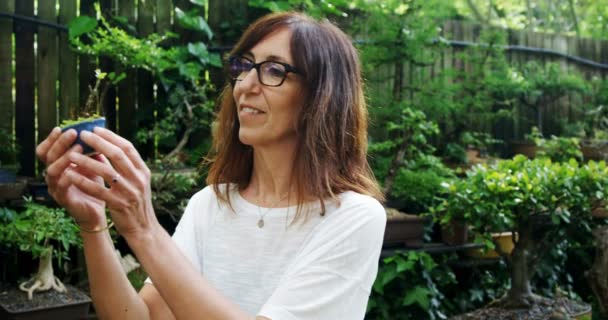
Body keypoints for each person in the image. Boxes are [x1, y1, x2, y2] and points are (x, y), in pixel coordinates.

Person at [36, 11, 386, 320]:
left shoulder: (353, 217)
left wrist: (144, 229)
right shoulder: (210, 204)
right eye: (244, 66)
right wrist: (93, 223)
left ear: (322, 97)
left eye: (274, 70)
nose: (245, 85)